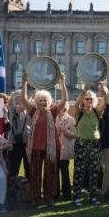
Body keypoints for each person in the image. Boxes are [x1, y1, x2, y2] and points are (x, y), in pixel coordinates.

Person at [20, 72, 68, 207]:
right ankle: (34, 197)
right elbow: (23, 100)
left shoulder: (52, 111)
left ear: (49, 101)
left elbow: (64, 100)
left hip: (51, 149)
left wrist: (62, 83)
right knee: (34, 173)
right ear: (37, 102)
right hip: (35, 147)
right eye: (40, 101)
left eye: (45, 100)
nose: (43, 103)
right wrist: (24, 83)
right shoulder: (33, 111)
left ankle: (49, 197)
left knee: (50, 174)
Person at [72, 86, 105, 205]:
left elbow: (105, 102)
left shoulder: (96, 112)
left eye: (91, 99)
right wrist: (84, 89)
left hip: (95, 144)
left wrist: (106, 92)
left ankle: (92, 196)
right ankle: (76, 197)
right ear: (83, 100)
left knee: (94, 172)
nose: (89, 101)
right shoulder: (79, 112)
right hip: (81, 144)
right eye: (87, 99)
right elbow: (77, 103)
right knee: (79, 171)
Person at [6, 90, 31, 180]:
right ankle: (11, 189)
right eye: (18, 97)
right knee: (13, 168)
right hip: (15, 142)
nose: (20, 99)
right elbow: (20, 108)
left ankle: (28, 189)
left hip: (27, 142)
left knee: (28, 167)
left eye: (21, 97)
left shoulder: (27, 109)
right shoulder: (11, 107)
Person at [56, 102, 75, 200]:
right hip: (55, 148)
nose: (60, 108)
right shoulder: (54, 117)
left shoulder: (71, 119)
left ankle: (66, 193)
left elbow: (73, 134)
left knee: (64, 171)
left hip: (64, 149)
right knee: (55, 171)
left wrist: (64, 129)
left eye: (63, 106)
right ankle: (55, 193)